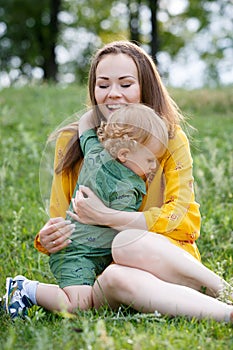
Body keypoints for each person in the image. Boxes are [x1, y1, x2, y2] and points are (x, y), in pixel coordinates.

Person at [4, 41, 233, 322]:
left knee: (128, 243)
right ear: (93, 89)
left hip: (165, 259)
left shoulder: (170, 140)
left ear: (144, 89)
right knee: (115, 275)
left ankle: (224, 292)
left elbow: (182, 219)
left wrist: (109, 216)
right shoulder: (73, 141)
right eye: (103, 85)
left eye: (126, 84)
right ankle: (228, 314)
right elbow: (63, 215)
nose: (113, 94)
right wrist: (49, 237)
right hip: (111, 273)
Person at [4, 103, 168, 318]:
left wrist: (106, 110)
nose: (154, 166)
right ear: (125, 154)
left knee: (97, 299)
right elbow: (128, 227)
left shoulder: (93, 151)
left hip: (96, 253)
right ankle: (24, 289)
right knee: (79, 305)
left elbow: (85, 124)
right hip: (77, 252)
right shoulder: (124, 188)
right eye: (150, 160)